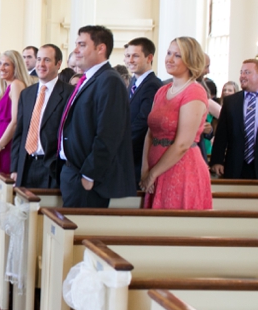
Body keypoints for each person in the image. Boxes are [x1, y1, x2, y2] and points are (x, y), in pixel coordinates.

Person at [58, 25, 136, 208]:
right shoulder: (89, 78)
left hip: (88, 178)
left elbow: (109, 134)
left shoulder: (109, 80)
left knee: (80, 233)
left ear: (100, 48)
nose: (76, 50)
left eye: (82, 45)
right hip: (72, 171)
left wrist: (89, 174)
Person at [140, 38, 213, 209]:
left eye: (177, 55)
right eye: (168, 53)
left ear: (190, 60)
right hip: (155, 164)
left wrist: (153, 174)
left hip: (182, 168)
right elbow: (150, 133)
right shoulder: (162, 91)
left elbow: (182, 143)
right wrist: (145, 170)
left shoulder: (194, 91)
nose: (170, 59)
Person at [11, 44, 73, 189]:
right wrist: (15, 167)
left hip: (52, 168)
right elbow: (20, 133)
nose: (41, 64)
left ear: (58, 64)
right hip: (26, 165)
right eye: (39, 60)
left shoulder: (69, 93)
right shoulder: (27, 94)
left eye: (47, 60)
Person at [0, 50, 30, 174]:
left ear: (16, 67)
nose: (1, 68)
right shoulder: (5, 88)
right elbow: (0, 120)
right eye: (0, 63)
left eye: (6, 64)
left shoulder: (16, 85)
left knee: (2, 184)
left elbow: (15, 121)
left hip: (6, 144)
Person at [125, 37, 162, 189]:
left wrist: (120, 144)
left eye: (135, 56)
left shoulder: (152, 85)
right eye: (127, 56)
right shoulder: (133, 82)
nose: (130, 60)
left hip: (139, 154)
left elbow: (143, 122)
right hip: (129, 155)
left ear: (149, 58)